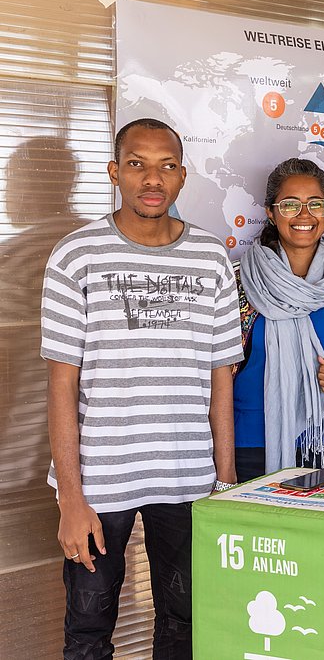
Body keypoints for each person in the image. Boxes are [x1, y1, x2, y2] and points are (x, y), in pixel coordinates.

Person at [41, 118, 242, 658]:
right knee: (88, 631)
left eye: (166, 166)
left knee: (186, 624)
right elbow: (62, 385)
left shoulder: (211, 258)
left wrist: (224, 484)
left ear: (182, 177)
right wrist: (71, 499)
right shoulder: (75, 255)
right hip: (100, 482)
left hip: (187, 477)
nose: (152, 179)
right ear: (114, 173)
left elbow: (221, 376)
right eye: (137, 164)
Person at [232, 158, 324, 481]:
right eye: (290, 205)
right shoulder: (241, 283)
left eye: (315, 204)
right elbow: (217, 373)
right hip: (249, 445)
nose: (304, 215)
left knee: (316, 533)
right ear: (271, 212)